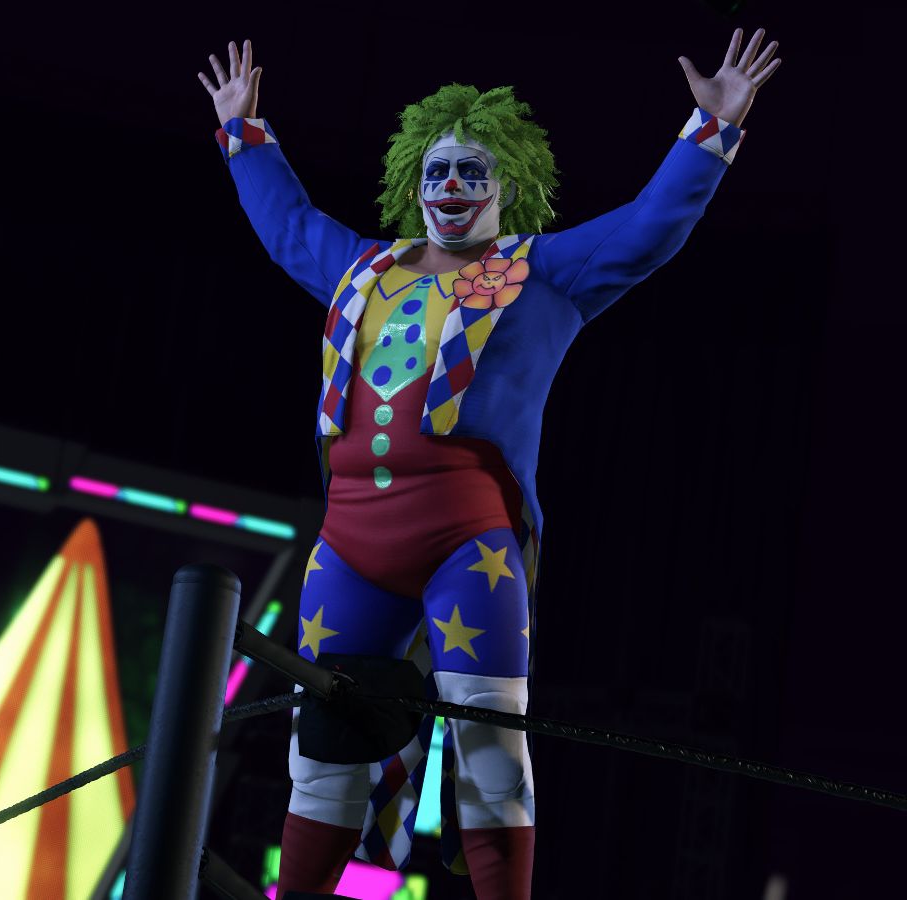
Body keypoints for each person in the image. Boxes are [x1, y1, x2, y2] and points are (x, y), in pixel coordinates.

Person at [199, 29, 780, 900]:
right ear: (412, 184)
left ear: (509, 186)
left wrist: (712, 128)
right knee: (323, 751)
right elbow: (288, 226)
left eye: (472, 172)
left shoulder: (542, 272)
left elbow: (647, 228)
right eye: (437, 171)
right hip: (349, 547)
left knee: (490, 752)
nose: (452, 186)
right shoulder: (363, 271)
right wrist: (244, 131)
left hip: (469, 544)